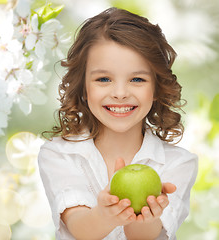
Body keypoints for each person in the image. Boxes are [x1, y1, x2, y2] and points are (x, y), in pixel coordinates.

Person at [38, 7, 198, 240]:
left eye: (137, 79)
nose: (120, 93)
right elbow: (80, 228)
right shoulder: (59, 154)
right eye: (104, 79)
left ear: (156, 88)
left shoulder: (179, 164)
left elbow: (144, 237)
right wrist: (105, 215)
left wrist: (147, 216)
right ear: (83, 87)